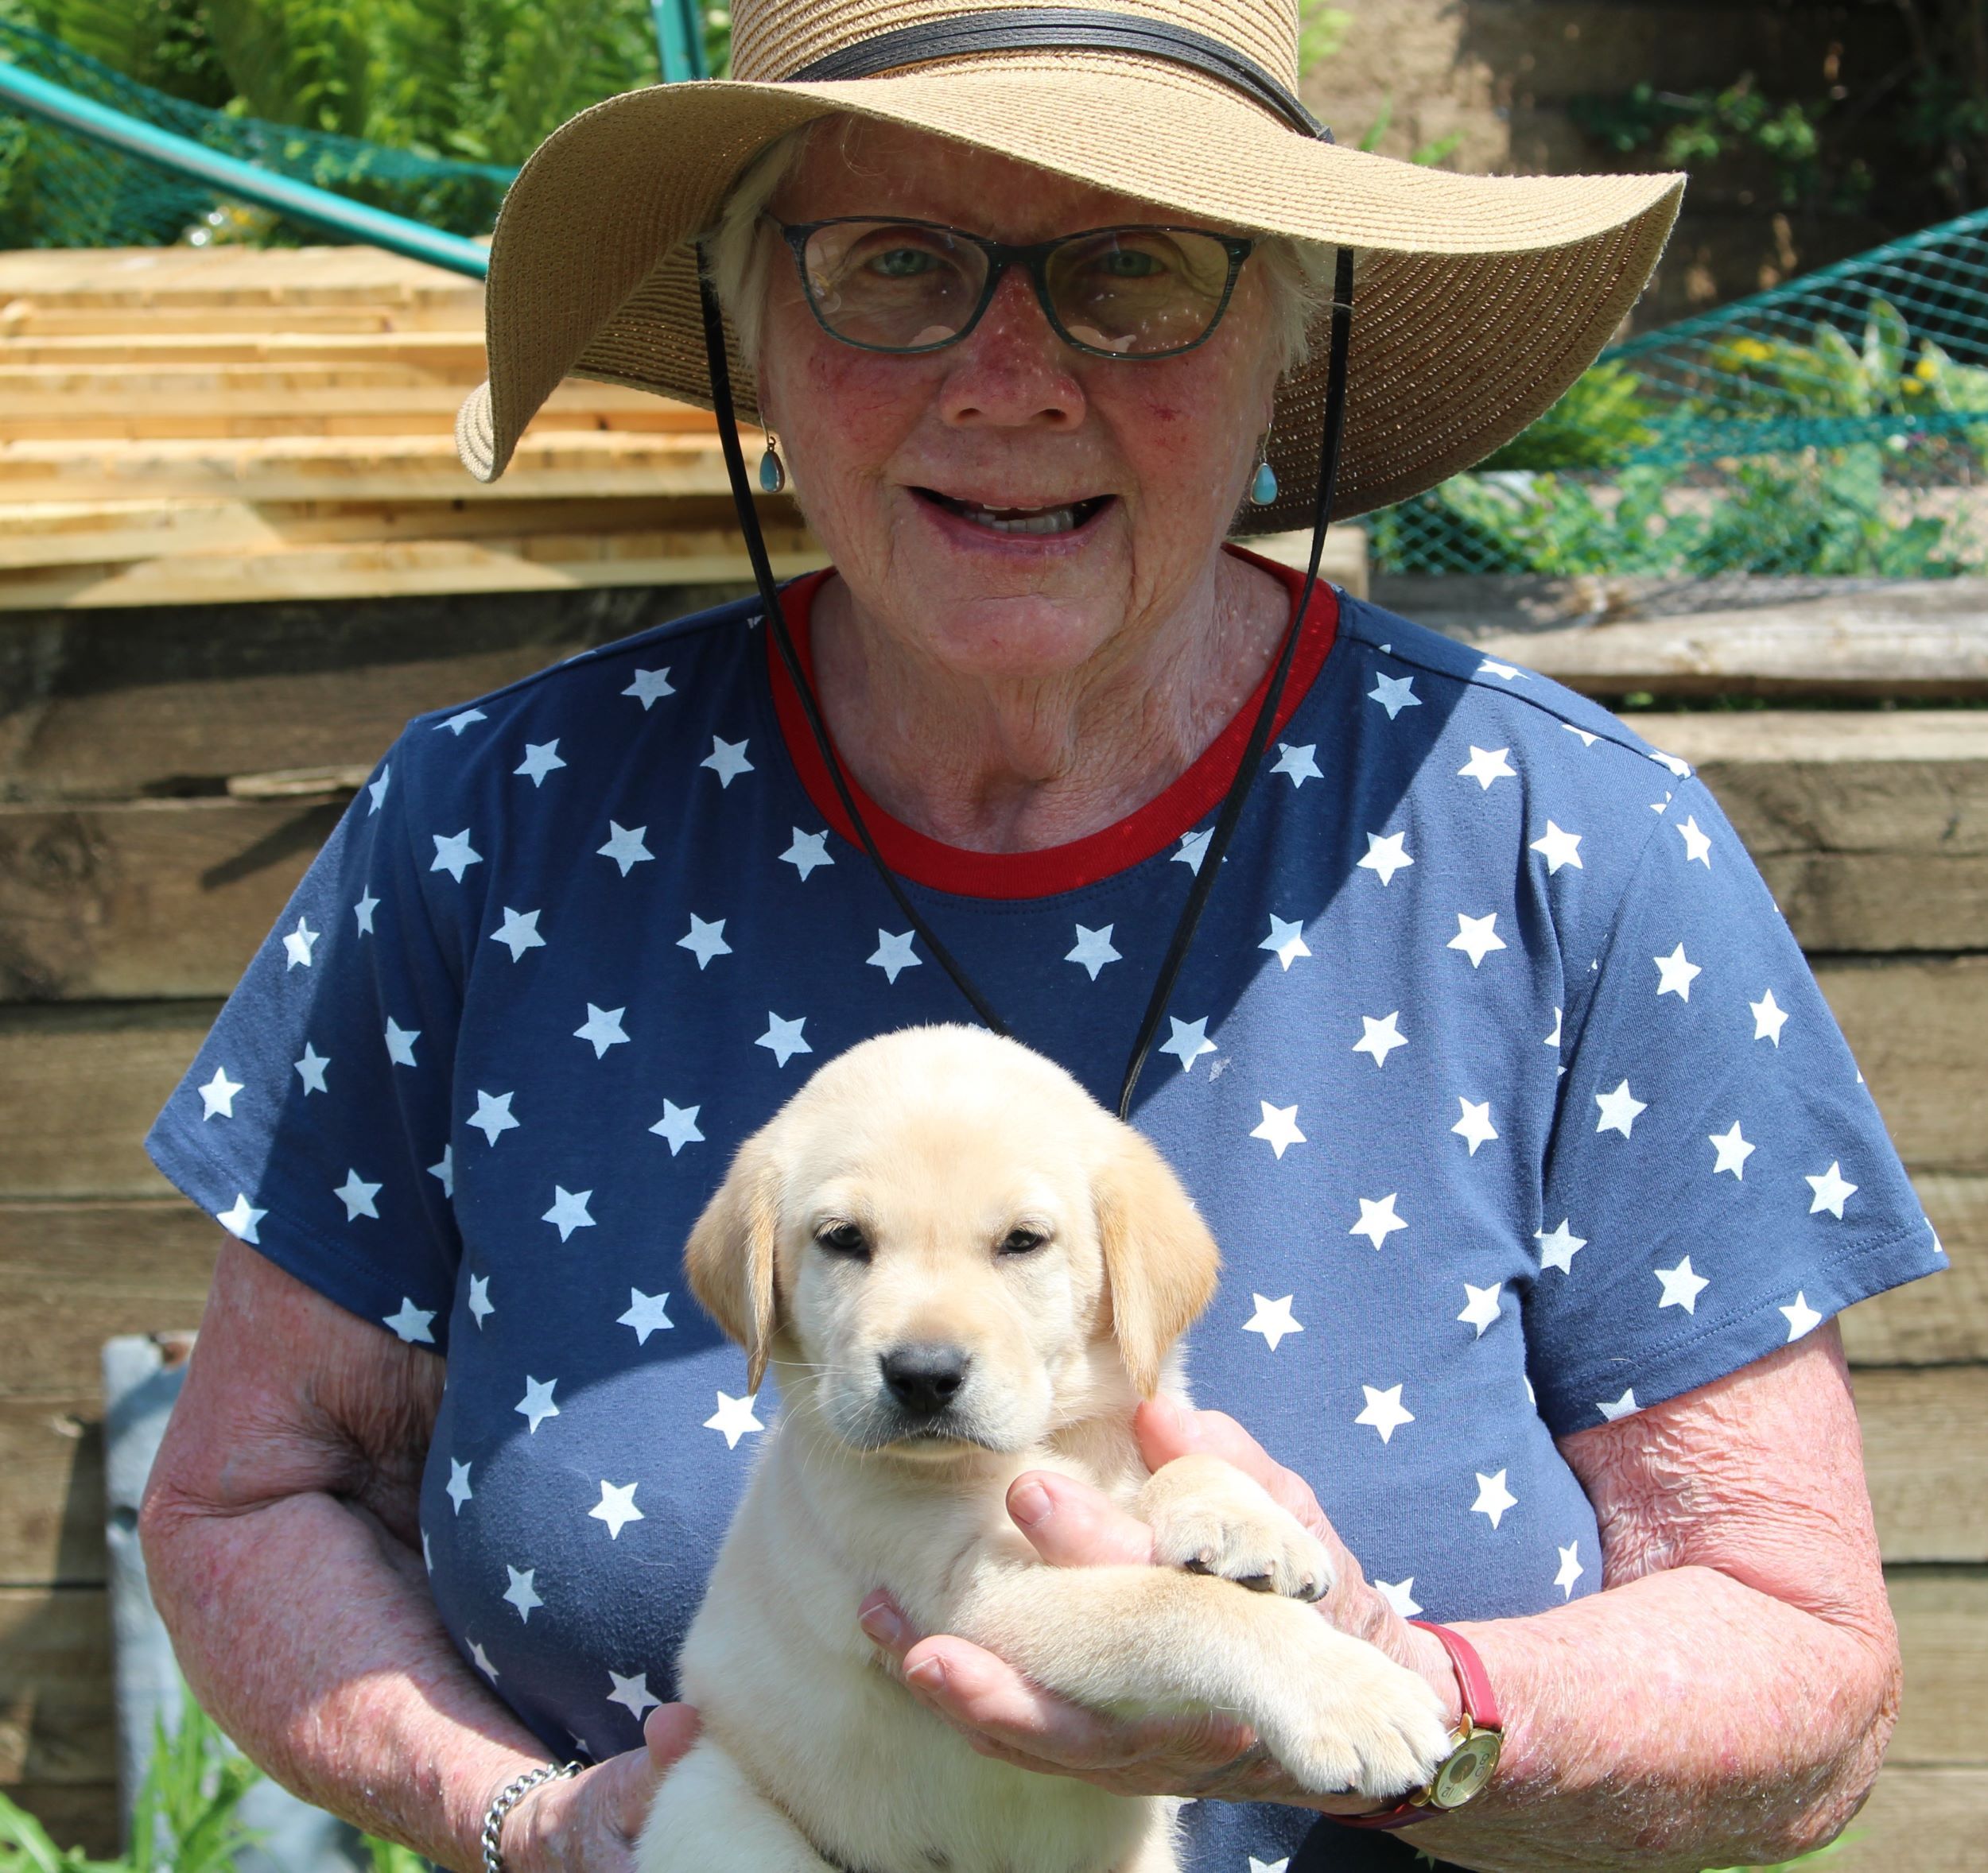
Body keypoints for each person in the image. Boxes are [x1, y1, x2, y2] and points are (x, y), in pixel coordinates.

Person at [138, 3, 1946, 1870]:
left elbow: (1799, 1665)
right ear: (752, 336)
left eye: (1131, 271)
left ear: (1285, 344)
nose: (1009, 378)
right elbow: (245, 1494)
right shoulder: (499, 828)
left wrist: (1414, 1708)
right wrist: (533, 1817)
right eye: (891, 266)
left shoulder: (1558, 845)